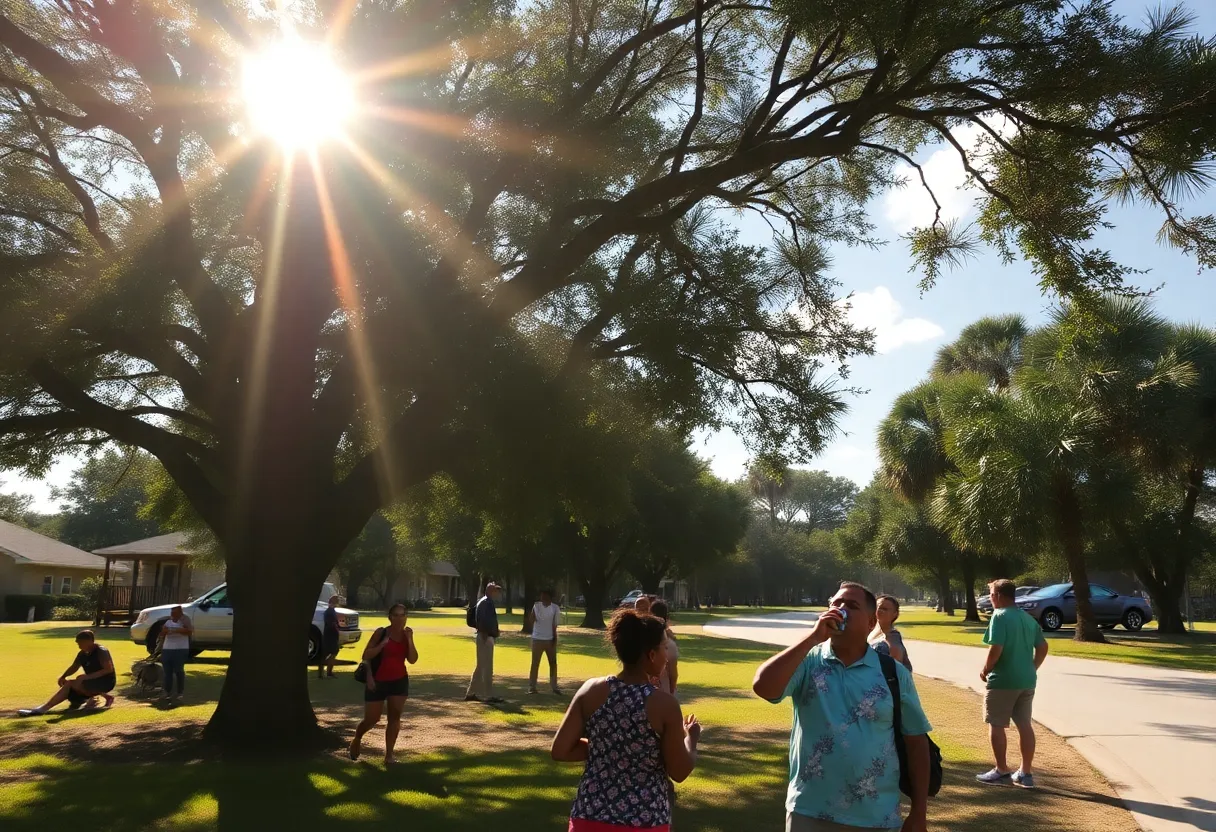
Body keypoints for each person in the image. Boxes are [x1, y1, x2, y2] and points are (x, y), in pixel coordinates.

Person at [753, 582, 933, 832]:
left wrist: (919, 812)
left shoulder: (893, 673)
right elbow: (763, 687)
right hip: (809, 810)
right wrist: (812, 638)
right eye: (835, 603)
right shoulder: (808, 662)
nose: (840, 609)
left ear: (871, 623)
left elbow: (916, 743)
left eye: (851, 605)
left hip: (876, 816)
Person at [552, 609, 701, 832]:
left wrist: (610, 747)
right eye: (664, 648)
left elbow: (561, 750)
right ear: (651, 655)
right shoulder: (664, 705)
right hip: (644, 820)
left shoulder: (590, 690)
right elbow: (679, 771)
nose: (667, 656)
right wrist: (692, 739)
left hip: (589, 816)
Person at [976, 578, 1049, 789]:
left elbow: (995, 648)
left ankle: (1001, 769)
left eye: (991, 595)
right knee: (1024, 724)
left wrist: (986, 669)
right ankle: (1025, 772)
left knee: (996, 724)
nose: (991, 600)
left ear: (998, 596)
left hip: (1003, 680)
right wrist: (1032, 667)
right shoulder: (1027, 619)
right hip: (1027, 680)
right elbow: (1043, 647)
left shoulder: (999, 616)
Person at [349, 602, 418, 765]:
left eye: (403, 615)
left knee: (394, 718)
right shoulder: (381, 633)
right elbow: (366, 655)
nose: (400, 619)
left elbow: (413, 659)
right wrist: (381, 646)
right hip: (378, 681)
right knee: (372, 719)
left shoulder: (407, 635)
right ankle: (357, 738)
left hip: (399, 681)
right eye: (396, 615)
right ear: (390, 617)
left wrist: (410, 639)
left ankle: (389, 756)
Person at [19, 630, 116, 716]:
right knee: (71, 685)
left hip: (106, 682)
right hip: (93, 681)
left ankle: (43, 709)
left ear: (90, 641)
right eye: (78, 644)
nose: (79, 646)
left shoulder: (101, 651)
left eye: (81, 643)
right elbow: (74, 667)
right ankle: (98, 698)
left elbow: (108, 669)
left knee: (72, 683)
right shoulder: (82, 653)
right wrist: (63, 676)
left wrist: (86, 677)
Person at [466, 581, 504, 704]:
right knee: (487, 667)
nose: (497, 593)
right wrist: (486, 636)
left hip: (485, 636)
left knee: (481, 666)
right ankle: (488, 695)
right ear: (490, 591)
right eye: (495, 590)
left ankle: (471, 693)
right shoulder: (486, 602)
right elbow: (482, 621)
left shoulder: (485, 601)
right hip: (485, 638)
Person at [527, 588, 562, 695]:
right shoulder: (536, 606)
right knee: (535, 663)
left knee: (553, 663)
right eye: (541, 596)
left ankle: (554, 686)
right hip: (537, 639)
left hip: (549, 639)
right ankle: (532, 687)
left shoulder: (555, 608)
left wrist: (554, 639)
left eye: (544, 596)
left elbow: (554, 625)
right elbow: (531, 619)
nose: (542, 598)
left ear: (549, 597)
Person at [158, 605, 194, 703]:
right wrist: (166, 632)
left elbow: (189, 631)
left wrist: (173, 630)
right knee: (167, 672)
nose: (172, 614)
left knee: (178, 670)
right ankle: (167, 691)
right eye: (172, 612)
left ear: (180, 612)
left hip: (181, 648)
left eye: (175, 612)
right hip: (167, 649)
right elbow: (162, 633)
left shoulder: (185, 619)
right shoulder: (168, 621)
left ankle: (180, 692)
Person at [869, 595, 912, 671]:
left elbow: (894, 671)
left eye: (884, 609)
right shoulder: (872, 631)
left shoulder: (892, 638)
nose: (879, 610)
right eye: (877, 607)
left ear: (895, 614)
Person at [651, 599, 679, 697]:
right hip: (664, 692)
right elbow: (673, 673)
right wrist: (671, 692)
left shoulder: (642, 641)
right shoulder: (670, 645)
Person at [319, 595, 341, 679]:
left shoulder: (331, 611)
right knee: (329, 653)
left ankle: (326, 672)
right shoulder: (329, 612)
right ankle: (327, 672)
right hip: (330, 636)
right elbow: (331, 624)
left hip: (331, 635)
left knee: (330, 653)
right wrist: (336, 626)